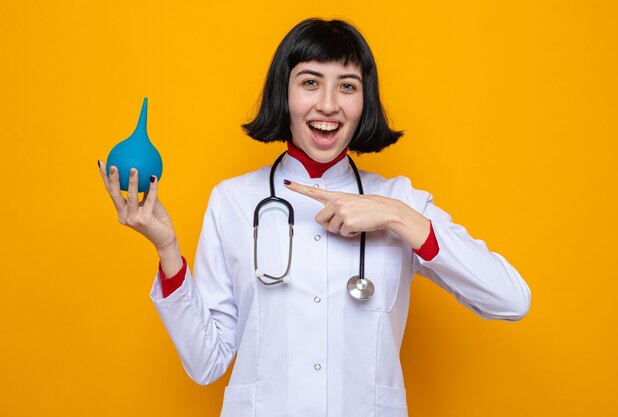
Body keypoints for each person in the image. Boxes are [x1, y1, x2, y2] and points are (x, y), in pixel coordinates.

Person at [98, 18, 530, 417]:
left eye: (347, 86)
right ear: (283, 95)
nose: (328, 105)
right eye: (310, 82)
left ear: (365, 101)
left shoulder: (398, 199)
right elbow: (206, 363)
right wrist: (167, 248)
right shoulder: (232, 200)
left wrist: (398, 217)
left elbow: (511, 300)